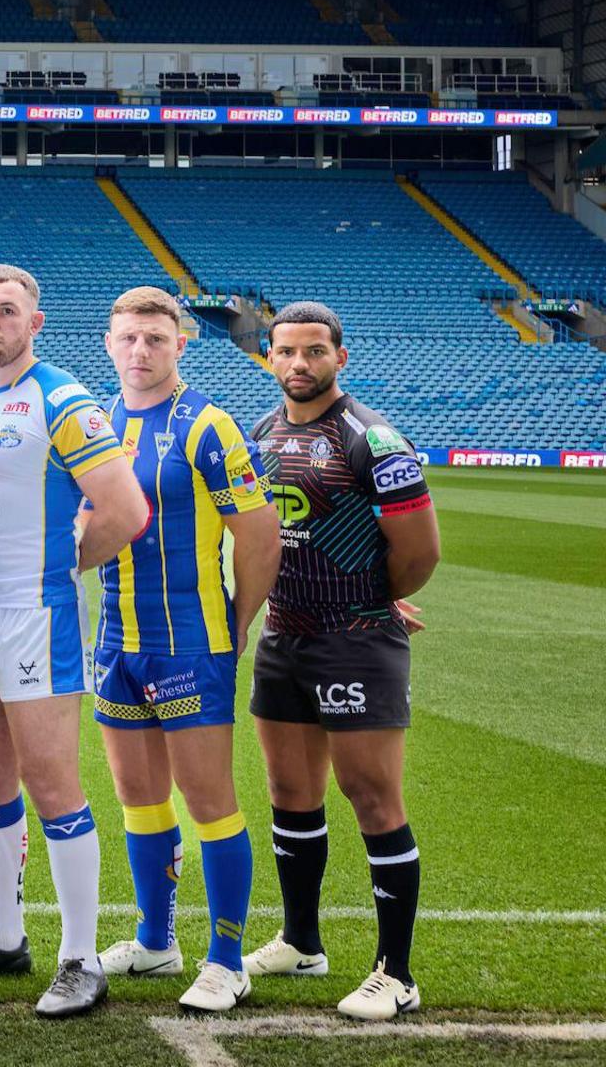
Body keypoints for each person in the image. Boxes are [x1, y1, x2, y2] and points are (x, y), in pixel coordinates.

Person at [0, 264, 149, 1019]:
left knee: (53, 788)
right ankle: (4, 935)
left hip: (35, 617)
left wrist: (62, 567)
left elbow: (125, 509)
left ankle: (81, 958)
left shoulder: (62, 400)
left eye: (7, 312)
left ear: (35, 323)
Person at [247, 301, 439, 1022]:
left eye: (314, 352)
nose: (300, 364)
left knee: (372, 798)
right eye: (286, 352)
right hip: (283, 638)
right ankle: (302, 942)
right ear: (269, 357)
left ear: (340, 357)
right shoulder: (261, 434)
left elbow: (419, 553)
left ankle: (397, 971)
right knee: (291, 792)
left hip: (354, 640)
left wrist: (370, 602)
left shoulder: (374, 438)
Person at [92, 287, 280, 1014]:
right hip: (116, 643)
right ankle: (154, 940)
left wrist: (232, 628)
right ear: (110, 343)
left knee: (209, 802)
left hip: (190, 646)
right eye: (129, 339)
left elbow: (259, 540)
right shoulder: (97, 422)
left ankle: (227, 959)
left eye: (155, 339)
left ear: (180, 343)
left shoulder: (208, 425)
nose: (140, 351)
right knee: (139, 800)